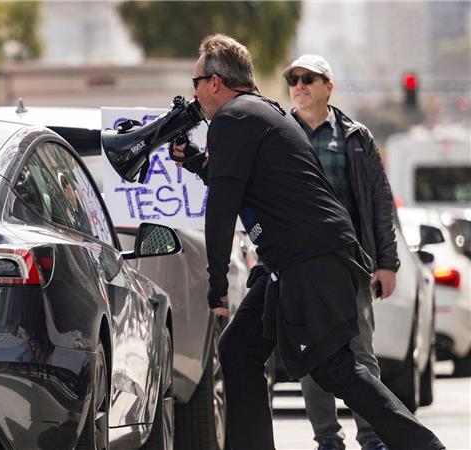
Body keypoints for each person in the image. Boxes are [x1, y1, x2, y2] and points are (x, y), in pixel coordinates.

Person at [170, 34, 443, 450]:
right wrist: (193, 160)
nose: (194, 93)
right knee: (239, 351)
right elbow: (242, 181)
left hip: (308, 261)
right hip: (292, 261)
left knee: (337, 367)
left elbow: (222, 209)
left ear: (216, 83)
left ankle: (424, 446)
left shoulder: (233, 119)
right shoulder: (260, 114)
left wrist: (216, 285)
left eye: (196, 82)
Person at [284, 54, 398, 450]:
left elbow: (379, 202)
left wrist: (387, 263)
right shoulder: (280, 134)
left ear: (328, 87)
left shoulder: (356, 137)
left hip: (352, 266)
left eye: (308, 79)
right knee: (311, 359)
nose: (298, 86)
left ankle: (371, 437)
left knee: (361, 356)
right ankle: (328, 441)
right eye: (293, 80)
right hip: (301, 269)